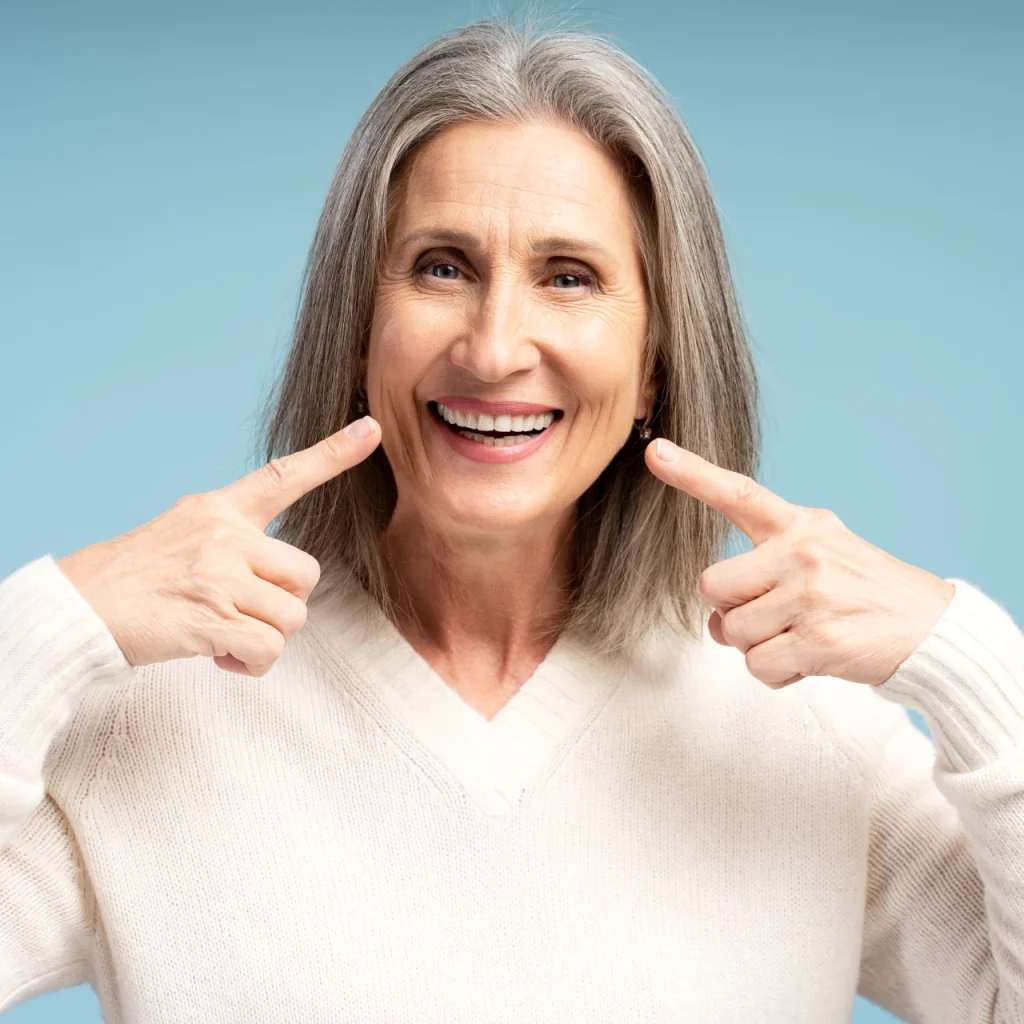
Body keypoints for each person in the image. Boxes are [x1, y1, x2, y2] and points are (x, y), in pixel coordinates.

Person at [2, 16, 1023, 1023]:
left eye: (567, 277)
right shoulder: (150, 725)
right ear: (359, 330)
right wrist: (44, 627)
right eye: (442, 266)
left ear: (655, 364)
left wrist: (974, 663)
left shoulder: (808, 734)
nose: (494, 349)